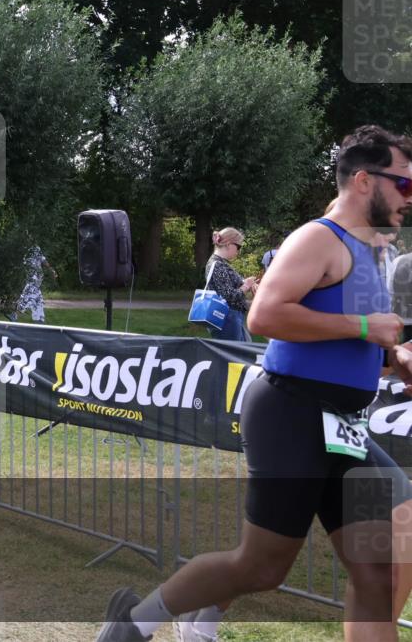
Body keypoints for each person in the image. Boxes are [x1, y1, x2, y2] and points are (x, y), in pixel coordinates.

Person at [96, 125, 412, 642]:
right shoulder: (318, 239)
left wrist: (394, 355)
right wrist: (363, 327)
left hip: (341, 426)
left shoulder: (370, 253)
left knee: (383, 562)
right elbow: (265, 315)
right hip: (292, 413)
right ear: (362, 181)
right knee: (261, 567)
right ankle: (134, 623)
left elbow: (348, 340)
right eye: (403, 184)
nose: (408, 198)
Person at [204, 228, 256, 342]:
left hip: (230, 318)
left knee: (241, 354)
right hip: (227, 320)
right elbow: (229, 296)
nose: (238, 251)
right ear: (228, 244)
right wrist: (246, 286)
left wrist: (246, 285)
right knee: (236, 355)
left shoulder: (220, 263)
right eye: (238, 247)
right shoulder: (218, 265)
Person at [8, 245, 57, 323]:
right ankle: (38, 318)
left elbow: (42, 260)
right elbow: (43, 261)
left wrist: (51, 270)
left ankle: (38, 318)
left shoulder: (33, 248)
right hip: (33, 278)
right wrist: (51, 270)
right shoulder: (29, 248)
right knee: (31, 297)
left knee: (34, 297)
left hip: (36, 278)